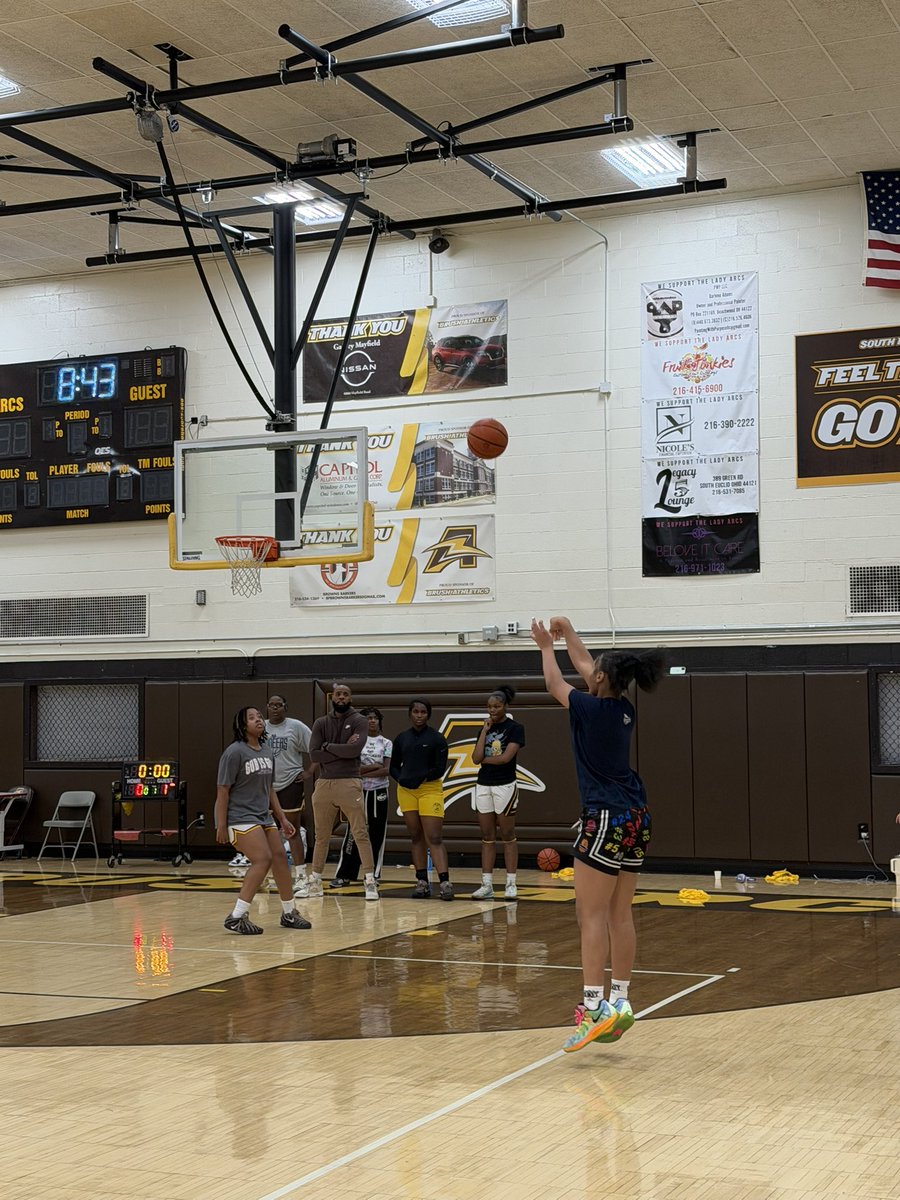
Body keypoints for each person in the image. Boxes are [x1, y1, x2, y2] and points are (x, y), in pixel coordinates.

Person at [531, 615, 665, 1053]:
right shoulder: (623, 708)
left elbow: (556, 685)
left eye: (595, 671)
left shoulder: (589, 707)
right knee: (618, 914)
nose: (589, 672)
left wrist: (546, 648)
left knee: (589, 915)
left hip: (605, 817)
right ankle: (620, 1000)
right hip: (636, 817)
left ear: (602, 678)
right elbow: (588, 664)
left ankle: (592, 1009)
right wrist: (568, 633)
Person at [215, 706, 312, 934]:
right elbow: (222, 790)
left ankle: (289, 912)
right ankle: (237, 915)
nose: (259, 720)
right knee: (263, 859)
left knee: (279, 858)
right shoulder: (234, 752)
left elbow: (270, 789)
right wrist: (221, 824)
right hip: (238, 817)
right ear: (242, 725)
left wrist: (282, 818)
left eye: (259, 716)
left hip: (263, 816)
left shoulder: (267, 751)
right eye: (252, 718)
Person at [307, 683, 379, 901]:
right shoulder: (321, 722)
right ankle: (315, 881)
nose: (341, 697)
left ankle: (369, 881)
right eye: (338, 694)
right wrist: (339, 749)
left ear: (350, 698)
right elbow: (314, 756)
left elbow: (354, 750)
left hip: (349, 781)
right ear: (332, 697)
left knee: (360, 832)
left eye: (345, 694)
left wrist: (327, 747)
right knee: (321, 836)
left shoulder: (359, 720)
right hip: (324, 783)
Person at [391, 698, 453, 900]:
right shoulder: (401, 738)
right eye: (415, 712)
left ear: (428, 714)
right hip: (407, 791)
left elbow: (439, 768)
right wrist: (403, 780)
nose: (419, 715)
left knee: (434, 836)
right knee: (416, 835)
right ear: (410, 714)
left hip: (429, 789)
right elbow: (393, 766)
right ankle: (422, 882)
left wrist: (420, 778)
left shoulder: (437, 738)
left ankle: (444, 882)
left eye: (423, 712)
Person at [470, 684, 525, 901]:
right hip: (483, 784)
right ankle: (487, 884)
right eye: (489, 707)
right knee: (487, 836)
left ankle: (511, 882)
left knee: (508, 835)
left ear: (505, 706)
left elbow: (505, 758)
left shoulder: (515, 728)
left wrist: (484, 759)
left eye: (497, 706)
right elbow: (475, 758)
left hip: (505, 785)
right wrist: (484, 730)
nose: (492, 710)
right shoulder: (484, 728)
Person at [331, 707, 392, 888]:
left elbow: (387, 769)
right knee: (353, 832)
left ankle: (371, 875)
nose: (371, 721)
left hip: (379, 792)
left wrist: (365, 770)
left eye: (374, 718)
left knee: (377, 833)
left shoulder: (387, 743)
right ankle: (344, 874)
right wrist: (374, 767)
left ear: (380, 721)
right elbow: (352, 769)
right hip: (357, 791)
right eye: (367, 718)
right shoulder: (356, 741)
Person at [263, 694, 314, 897]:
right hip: (266, 786)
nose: (275, 708)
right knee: (267, 832)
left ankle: (301, 878)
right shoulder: (261, 728)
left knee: (291, 831)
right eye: (271, 705)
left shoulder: (296, 726)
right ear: (267, 707)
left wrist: (309, 772)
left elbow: (316, 750)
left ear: (285, 707)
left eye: (279, 705)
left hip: (290, 782)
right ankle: (269, 876)